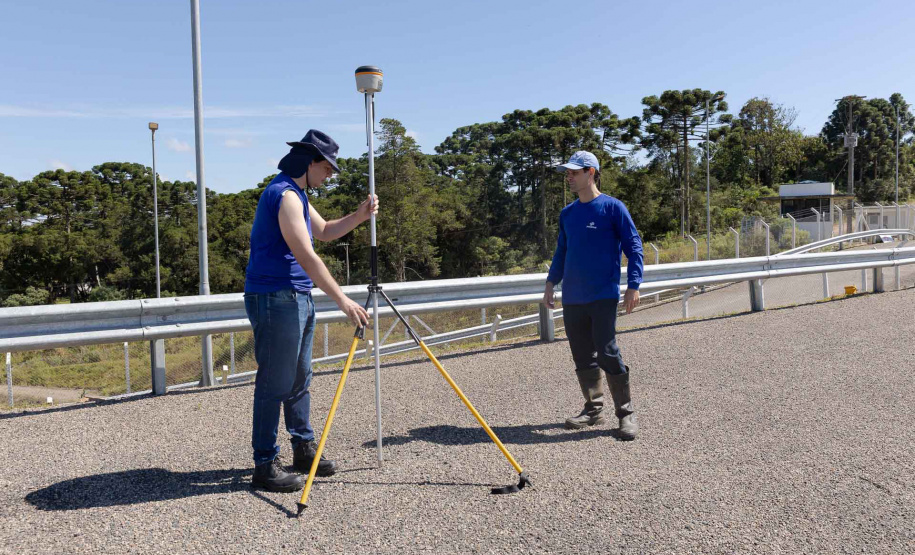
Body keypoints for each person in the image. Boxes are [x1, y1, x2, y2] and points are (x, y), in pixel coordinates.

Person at [244, 130, 377, 492]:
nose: (330, 174)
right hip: (275, 296)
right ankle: (264, 464)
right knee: (275, 382)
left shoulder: (297, 193)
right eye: (327, 167)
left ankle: (303, 448)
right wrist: (342, 299)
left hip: (296, 296)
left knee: (300, 377)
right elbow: (306, 254)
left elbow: (326, 232)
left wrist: (360, 215)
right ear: (310, 162)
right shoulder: (285, 195)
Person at [543, 150, 643, 440]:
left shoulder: (613, 208)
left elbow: (634, 247)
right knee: (582, 354)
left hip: (603, 294)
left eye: (574, 172)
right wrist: (551, 282)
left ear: (591, 173)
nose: (569, 177)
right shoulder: (568, 214)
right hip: (573, 296)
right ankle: (593, 409)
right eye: (567, 173)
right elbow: (562, 251)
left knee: (607, 350)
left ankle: (625, 413)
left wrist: (633, 285)